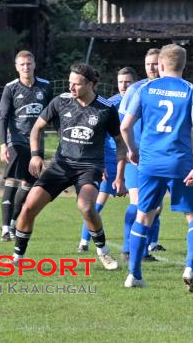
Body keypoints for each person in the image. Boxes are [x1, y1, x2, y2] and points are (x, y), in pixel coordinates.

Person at [9, 63, 127, 270]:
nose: (71, 88)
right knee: (28, 207)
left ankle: (102, 251)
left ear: (91, 84)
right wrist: (36, 156)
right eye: (70, 83)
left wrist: (120, 174)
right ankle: (17, 257)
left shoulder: (106, 109)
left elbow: (120, 143)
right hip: (60, 165)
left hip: (89, 167)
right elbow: (37, 128)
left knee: (86, 207)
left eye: (77, 84)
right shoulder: (60, 102)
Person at [121, 44, 193, 291]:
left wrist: (132, 151)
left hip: (149, 163)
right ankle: (190, 268)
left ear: (160, 65)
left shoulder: (144, 89)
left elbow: (125, 127)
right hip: (181, 164)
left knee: (143, 216)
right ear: (183, 65)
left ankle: (134, 274)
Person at [77, 67, 136, 252]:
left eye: (127, 82)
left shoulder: (141, 101)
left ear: (135, 83)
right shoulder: (110, 104)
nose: (123, 85)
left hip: (134, 159)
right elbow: (99, 135)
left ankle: (150, 244)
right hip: (110, 159)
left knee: (145, 204)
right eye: (120, 82)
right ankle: (84, 242)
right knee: (97, 203)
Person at [0, 50, 52, 242]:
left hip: (36, 144)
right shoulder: (10, 88)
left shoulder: (45, 87)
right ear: (16, 67)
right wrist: (3, 144)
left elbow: (54, 114)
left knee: (28, 185)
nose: (26, 67)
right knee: (12, 180)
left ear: (34, 64)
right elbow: (3, 118)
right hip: (16, 140)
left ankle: (12, 223)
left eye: (29, 64)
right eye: (22, 65)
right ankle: (5, 228)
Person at [118, 49, 165, 263]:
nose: (152, 68)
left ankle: (142, 248)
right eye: (148, 64)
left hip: (160, 156)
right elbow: (122, 126)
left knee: (155, 206)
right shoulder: (135, 90)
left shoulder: (170, 89)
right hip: (135, 156)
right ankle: (131, 249)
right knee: (138, 202)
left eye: (155, 63)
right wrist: (126, 151)